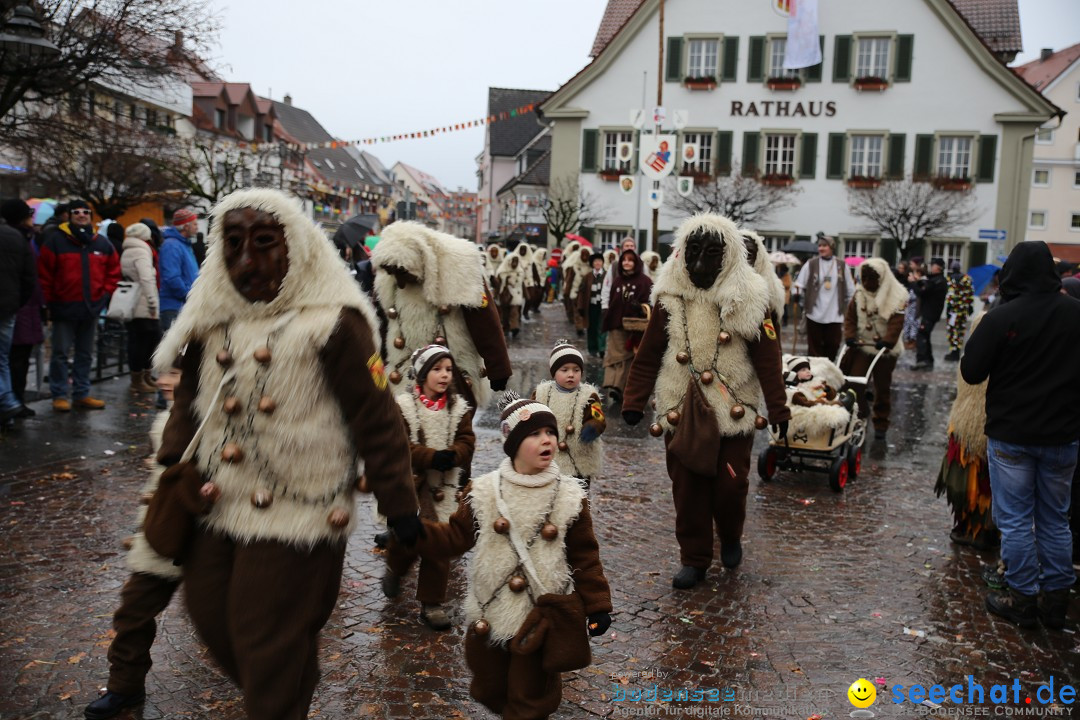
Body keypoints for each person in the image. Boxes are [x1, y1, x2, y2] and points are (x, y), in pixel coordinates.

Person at [151, 188, 423, 718]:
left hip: (301, 508)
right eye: (232, 243)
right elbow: (189, 399)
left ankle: (280, 694)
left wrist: (400, 503)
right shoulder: (212, 318)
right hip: (215, 499)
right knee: (208, 613)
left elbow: (377, 415)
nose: (247, 260)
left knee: (262, 632)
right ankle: (289, 676)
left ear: (296, 247)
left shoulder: (336, 323)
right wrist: (171, 463)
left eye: (264, 242)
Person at [415, 393, 612, 720]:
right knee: (490, 688)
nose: (546, 439)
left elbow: (585, 555)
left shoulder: (570, 496)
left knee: (529, 698)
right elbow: (454, 537)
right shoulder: (484, 491)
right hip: (492, 610)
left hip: (541, 615)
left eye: (549, 432)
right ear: (514, 443)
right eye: (534, 434)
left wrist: (598, 605)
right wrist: (416, 531)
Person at [622, 213, 790, 588]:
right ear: (682, 253)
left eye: (711, 254)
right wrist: (634, 400)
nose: (700, 264)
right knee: (688, 487)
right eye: (693, 252)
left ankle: (730, 534)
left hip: (734, 406)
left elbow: (768, 357)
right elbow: (649, 352)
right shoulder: (669, 297)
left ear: (728, 256)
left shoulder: (753, 299)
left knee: (732, 485)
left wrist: (778, 407)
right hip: (681, 405)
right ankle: (694, 558)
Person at [961, 241, 1080, 631]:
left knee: (1014, 521)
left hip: (1012, 434)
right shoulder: (1075, 313)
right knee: (1054, 519)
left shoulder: (1002, 317)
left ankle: (1024, 597)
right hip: (1063, 434)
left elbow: (972, 371)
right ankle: (1057, 599)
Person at [84, 412, 182, 720]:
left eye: (177, 373)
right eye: (166, 373)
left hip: (216, 531)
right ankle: (124, 686)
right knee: (134, 608)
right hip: (164, 530)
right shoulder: (167, 416)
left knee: (233, 620)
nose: (167, 381)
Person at [381, 344, 475, 631]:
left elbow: (467, 440)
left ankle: (432, 603)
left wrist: (455, 454)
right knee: (408, 538)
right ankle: (396, 567)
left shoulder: (458, 409)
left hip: (443, 490)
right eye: (437, 369)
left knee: (438, 544)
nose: (445, 375)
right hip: (411, 487)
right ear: (422, 374)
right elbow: (399, 445)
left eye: (448, 369)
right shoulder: (405, 407)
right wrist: (430, 456)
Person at [371, 221, 511, 404]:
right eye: (392, 273)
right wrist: (374, 368)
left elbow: (484, 320)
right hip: (405, 371)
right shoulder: (388, 275)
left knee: (454, 425)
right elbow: (380, 324)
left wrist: (498, 367)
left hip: (452, 369)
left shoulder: (460, 265)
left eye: (402, 272)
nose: (399, 280)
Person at [37, 199, 120, 411]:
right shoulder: (56, 241)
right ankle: (59, 394)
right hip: (63, 307)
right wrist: (48, 303)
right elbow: (45, 275)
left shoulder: (101, 243)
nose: (81, 215)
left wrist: (104, 294)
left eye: (85, 212)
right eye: (76, 212)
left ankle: (81, 393)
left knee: (85, 353)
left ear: (91, 217)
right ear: (69, 215)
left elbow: (113, 271)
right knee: (60, 353)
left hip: (91, 308)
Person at [935, 313, 998, 552]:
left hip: (970, 429)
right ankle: (985, 530)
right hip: (980, 427)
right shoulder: (1009, 356)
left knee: (975, 480)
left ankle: (977, 529)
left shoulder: (974, 359)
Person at [841, 258, 907, 440]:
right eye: (865, 278)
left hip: (884, 350)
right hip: (862, 345)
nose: (868, 282)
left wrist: (887, 341)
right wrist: (850, 336)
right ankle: (859, 415)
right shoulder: (858, 294)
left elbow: (897, 322)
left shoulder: (896, 295)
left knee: (882, 387)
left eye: (873, 278)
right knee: (854, 382)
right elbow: (851, 318)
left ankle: (881, 422)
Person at [532, 341, 606, 484]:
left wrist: (593, 427)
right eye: (564, 370)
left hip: (579, 457)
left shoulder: (589, 396)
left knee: (578, 497)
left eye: (576, 370)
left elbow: (598, 418)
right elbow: (530, 414)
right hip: (549, 456)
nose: (571, 374)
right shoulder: (542, 393)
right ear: (554, 372)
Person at [2, 199, 43, 415]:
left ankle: (10, 401)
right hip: (16, 306)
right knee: (10, 358)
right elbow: (30, 278)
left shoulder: (21, 236)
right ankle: (11, 402)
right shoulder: (21, 238)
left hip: (16, 306)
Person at [601, 248, 652, 405]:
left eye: (630, 260)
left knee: (627, 357)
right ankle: (612, 384)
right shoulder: (617, 280)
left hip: (634, 327)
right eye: (624, 260)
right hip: (616, 324)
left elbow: (651, 303)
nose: (627, 263)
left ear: (636, 263)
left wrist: (640, 308)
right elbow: (611, 300)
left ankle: (621, 388)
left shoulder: (644, 281)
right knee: (614, 356)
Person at [792, 233, 854, 360]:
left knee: (833, 345)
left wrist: (847, 307)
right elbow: (799, 284)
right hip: (814, 313)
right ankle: (814, 374)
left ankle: (828, 371)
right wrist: (796, 294)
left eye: (824, 246)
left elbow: (851, 290)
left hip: (835, 315)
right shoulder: (811, 264)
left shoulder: (841, 265)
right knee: (814, 349)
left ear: (831, 247)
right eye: (819, 246)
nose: (821, 248)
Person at [119, 223, 161, 394]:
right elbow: (147, 278)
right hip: (143, 302)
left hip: (135, 300)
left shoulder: (129, 248)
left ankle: (143, 377)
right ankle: (139, 379)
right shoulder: (141, 250)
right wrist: (152, 301)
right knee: (146, 341)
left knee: (141, 340)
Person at [158, 208, 200, 333]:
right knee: (176, 348)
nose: (197, 227)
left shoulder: (183, 245)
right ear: (185, 226)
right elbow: (172, 278)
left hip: (183, 304)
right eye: (194, 224)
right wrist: (189, 295)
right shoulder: (172, 246)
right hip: (174, 306)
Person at [912, 257, 947, 370]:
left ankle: (922, 360)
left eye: (933, 265)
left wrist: (914, 283)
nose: (931, 267)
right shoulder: (937, 280)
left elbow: (922, 292)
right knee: (925, 335)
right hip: (931, 312)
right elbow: (927, 285)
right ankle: (928, 360)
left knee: (921, 335)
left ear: (938, 267)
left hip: (930, 313)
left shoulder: (938, 281)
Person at [943, 260, 974, 362]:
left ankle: (954, 352)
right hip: (961, 310)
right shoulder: (966, 279)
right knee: (959, 330)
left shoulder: (950, 279)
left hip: (954, 310)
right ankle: (955, 351)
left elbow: (949, 295)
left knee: (953, 330)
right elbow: (969, 294)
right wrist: (969, 307)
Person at [579, 252, 607, 358]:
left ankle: (602, 348)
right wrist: (580, 306)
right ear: (592, 264)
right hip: (591, 306)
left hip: (603, 306)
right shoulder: (588, 276)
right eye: (595, 261)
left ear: (603, 263)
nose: (598, 263)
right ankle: (592, 348)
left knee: (602, 327)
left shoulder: (606, 275)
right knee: (591, 327)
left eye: (599, 261)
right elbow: (581, 291)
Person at [495, 250, 526, 339]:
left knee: (514, 312)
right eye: (513, 261)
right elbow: (498, 284)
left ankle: (514, 327)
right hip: (504, 295)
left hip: (516, 295)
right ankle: (505, 328)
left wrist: (526, 295)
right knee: (505, 313)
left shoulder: (520, 271)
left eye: (516, 261)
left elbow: (521, 283)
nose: (515, 263)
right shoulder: (502, 271)